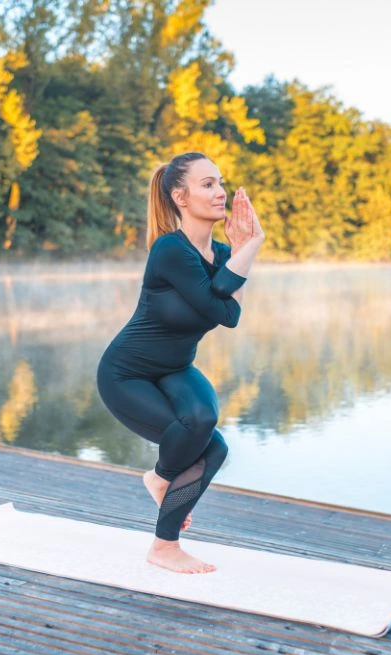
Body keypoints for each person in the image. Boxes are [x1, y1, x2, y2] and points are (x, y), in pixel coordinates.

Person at [95, 152, 265, 574]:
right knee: (193, 436)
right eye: (207, 184)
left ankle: (159, 478)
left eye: (221, 182)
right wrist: (251, 247)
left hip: (174, 369)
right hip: (126, 373)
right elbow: (216, 299)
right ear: (180, 196)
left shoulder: (224, 252)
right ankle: (164, 545)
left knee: (212, 437)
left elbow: (230, 316)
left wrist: (241, 250)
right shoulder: (170, 250)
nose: (220, 191)